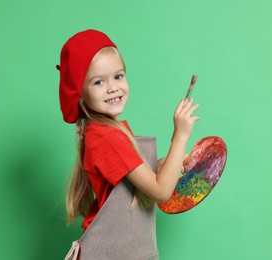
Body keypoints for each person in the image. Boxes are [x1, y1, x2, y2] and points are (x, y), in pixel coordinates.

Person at [57, 29, 200, 260]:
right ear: (80, 95)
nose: (112, 87)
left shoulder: (108, 131)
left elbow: (131, 179)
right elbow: (161, 191)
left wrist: (169, 163)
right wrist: (180, 136)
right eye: (98, 82)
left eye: (118, 76)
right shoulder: (106, 138)